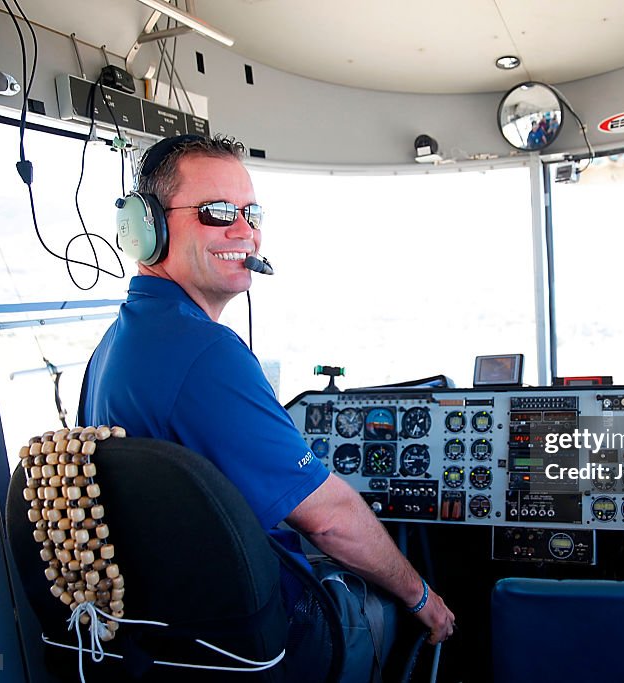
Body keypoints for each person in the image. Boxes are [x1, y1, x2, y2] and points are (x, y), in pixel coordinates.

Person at [79, 134, 455, 677]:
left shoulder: (115, 344)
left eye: (251, 212)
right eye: (216, 212)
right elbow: (329, 520)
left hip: (172, 632)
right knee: (393, 601)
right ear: (146, 228)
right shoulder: (206, 353)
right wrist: (424, 599)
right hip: (263, 636)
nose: (244, 230)